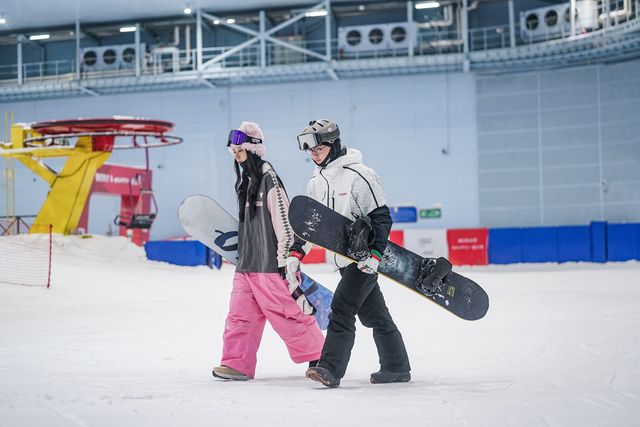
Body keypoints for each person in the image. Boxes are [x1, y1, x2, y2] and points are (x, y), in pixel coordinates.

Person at [285, 119, 411, 388]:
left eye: (318, 149)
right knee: (375, 316)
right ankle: (396, 366)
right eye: (309, 150)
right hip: (342, 261)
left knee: (341, 310)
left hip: (363, 260)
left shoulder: (360, 175)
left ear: (333, 144)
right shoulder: (315, 182)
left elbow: (381, 218)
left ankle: (329, 369)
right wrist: (296, 252)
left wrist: (375, 255)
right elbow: (310, 226)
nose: (313, 154)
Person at [212, 121, 324, 381]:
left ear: (253, 150)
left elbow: (284, 221)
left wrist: (286, 260)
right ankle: (236, 364)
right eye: (234, 153)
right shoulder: (248, 182)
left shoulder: (268, 179)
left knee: (290, 315)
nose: (237, 157)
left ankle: (323, 356)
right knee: (239, 318)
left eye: (240, 151)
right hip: (246, 266)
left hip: (270, 266)